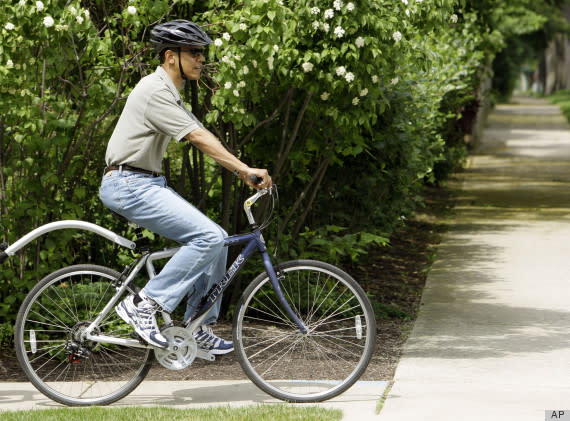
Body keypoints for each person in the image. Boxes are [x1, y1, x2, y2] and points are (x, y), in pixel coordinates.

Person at [99, 19, 272, 354]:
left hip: (144, 182)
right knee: (210, 237)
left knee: (217, 241)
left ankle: (197, 324)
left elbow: (200, 132)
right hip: (128, 183)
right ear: (170, 57)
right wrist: (243, 169)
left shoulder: (168, 92)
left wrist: (239, 169)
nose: (201, 59)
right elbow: (197, 137)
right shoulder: (155, 90)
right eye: (194, 52)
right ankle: (145, 304)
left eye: (202, 53)